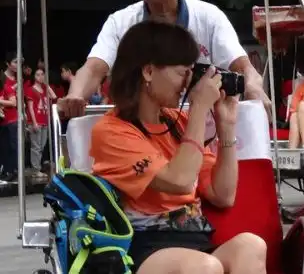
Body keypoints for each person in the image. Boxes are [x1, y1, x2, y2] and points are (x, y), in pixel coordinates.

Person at [90, 21, 266, 273]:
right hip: (143, 249)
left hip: (195, 242)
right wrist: (198, 110)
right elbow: (180, 180)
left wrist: (226, 125)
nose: (188, 83)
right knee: (206, 267)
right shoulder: (111, 132)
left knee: (251, 246)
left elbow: (223, 195)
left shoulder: (176, 122)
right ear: (148, 71)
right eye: (183, 72)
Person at [58, 0, 270, 119]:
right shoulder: (120, 22)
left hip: (203, 134)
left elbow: (245, 68)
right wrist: (75, 95)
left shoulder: (209, 18)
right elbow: (93, 69)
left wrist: (254, 88)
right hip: (140, 136)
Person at [24, 68, 56, 178]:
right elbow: (30, 108)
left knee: (41, 146)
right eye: (37, 75)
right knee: (36, 146)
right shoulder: (30, 90)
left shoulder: (45, 89)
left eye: (42, 74)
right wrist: (34, 122)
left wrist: (46, 85)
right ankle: (35, 169)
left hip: (45, 121)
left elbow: (54, 96)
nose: (40, 77)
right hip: (36, 121)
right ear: (34, 76)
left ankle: (37, 167)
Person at [0, 52, 22, 183]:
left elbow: (14, 102)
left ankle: (13, 172)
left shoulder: (8, 86)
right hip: (4, 121)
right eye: (14, 62)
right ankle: (7, 171)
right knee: (6, 147)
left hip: (12, 120)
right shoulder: (5, 86)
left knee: (13, 146)